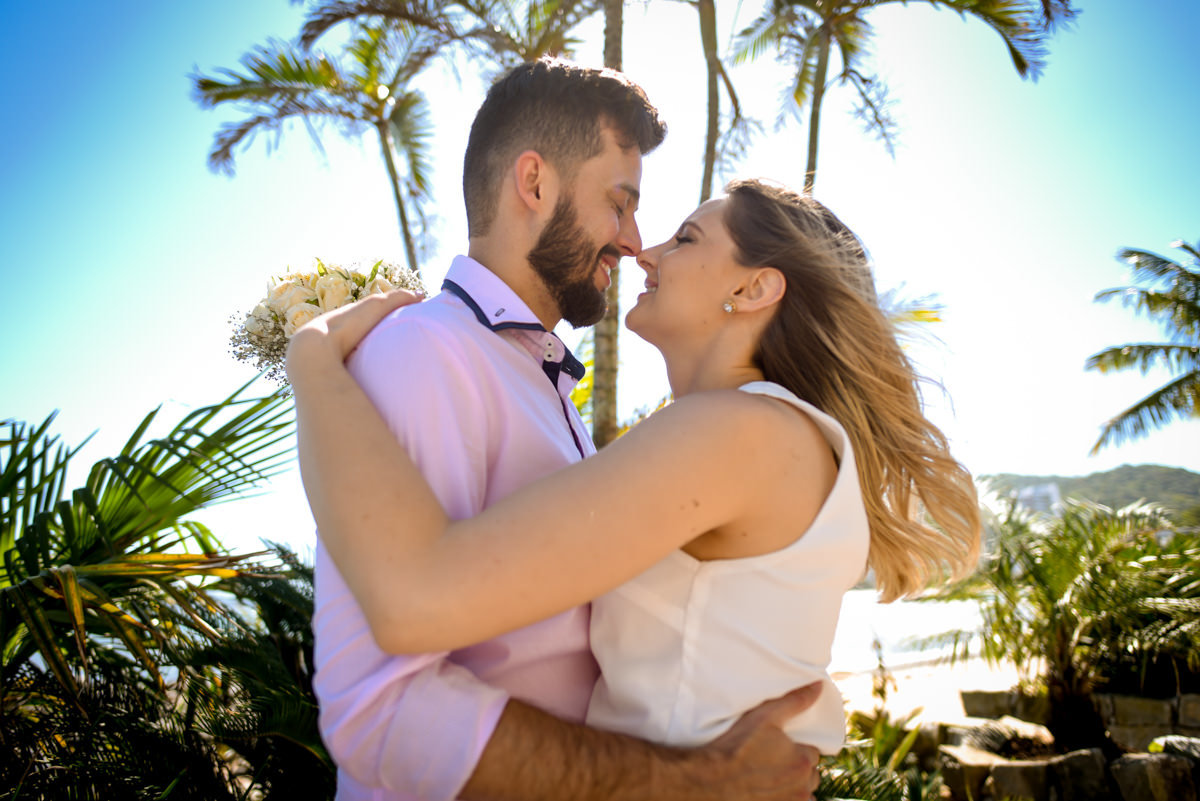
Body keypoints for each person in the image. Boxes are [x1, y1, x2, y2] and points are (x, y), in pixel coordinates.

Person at [291, 175, 983, 788]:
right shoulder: (769, 435)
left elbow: (415, 598)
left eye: (686, 238)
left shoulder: (738, 433)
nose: (644, 252)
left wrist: (315, 363)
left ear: (753, 288)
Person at [304, 58, 826, 801]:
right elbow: (380, 711)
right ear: (535, 183)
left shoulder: (541, 384)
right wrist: (691, 783)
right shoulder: (424, 351)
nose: (634, 240)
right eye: (620, 203)